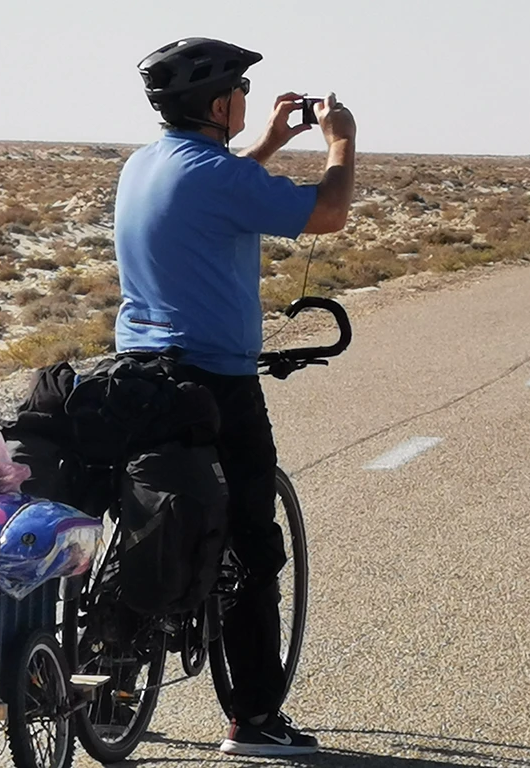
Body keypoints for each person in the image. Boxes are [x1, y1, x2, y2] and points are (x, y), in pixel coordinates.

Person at [114, 37, 356, 757]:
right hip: (214, 381)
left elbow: (215, 182)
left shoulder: (146, 165)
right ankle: (253, 720)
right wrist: (340, 142)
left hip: (133, 375)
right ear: (219, 105)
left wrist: (272, 139)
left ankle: (112, 676)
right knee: (253, 547)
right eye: (242, 94)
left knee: (143, 515)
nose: (248, 102)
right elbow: (329, 212)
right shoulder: (214, 175)